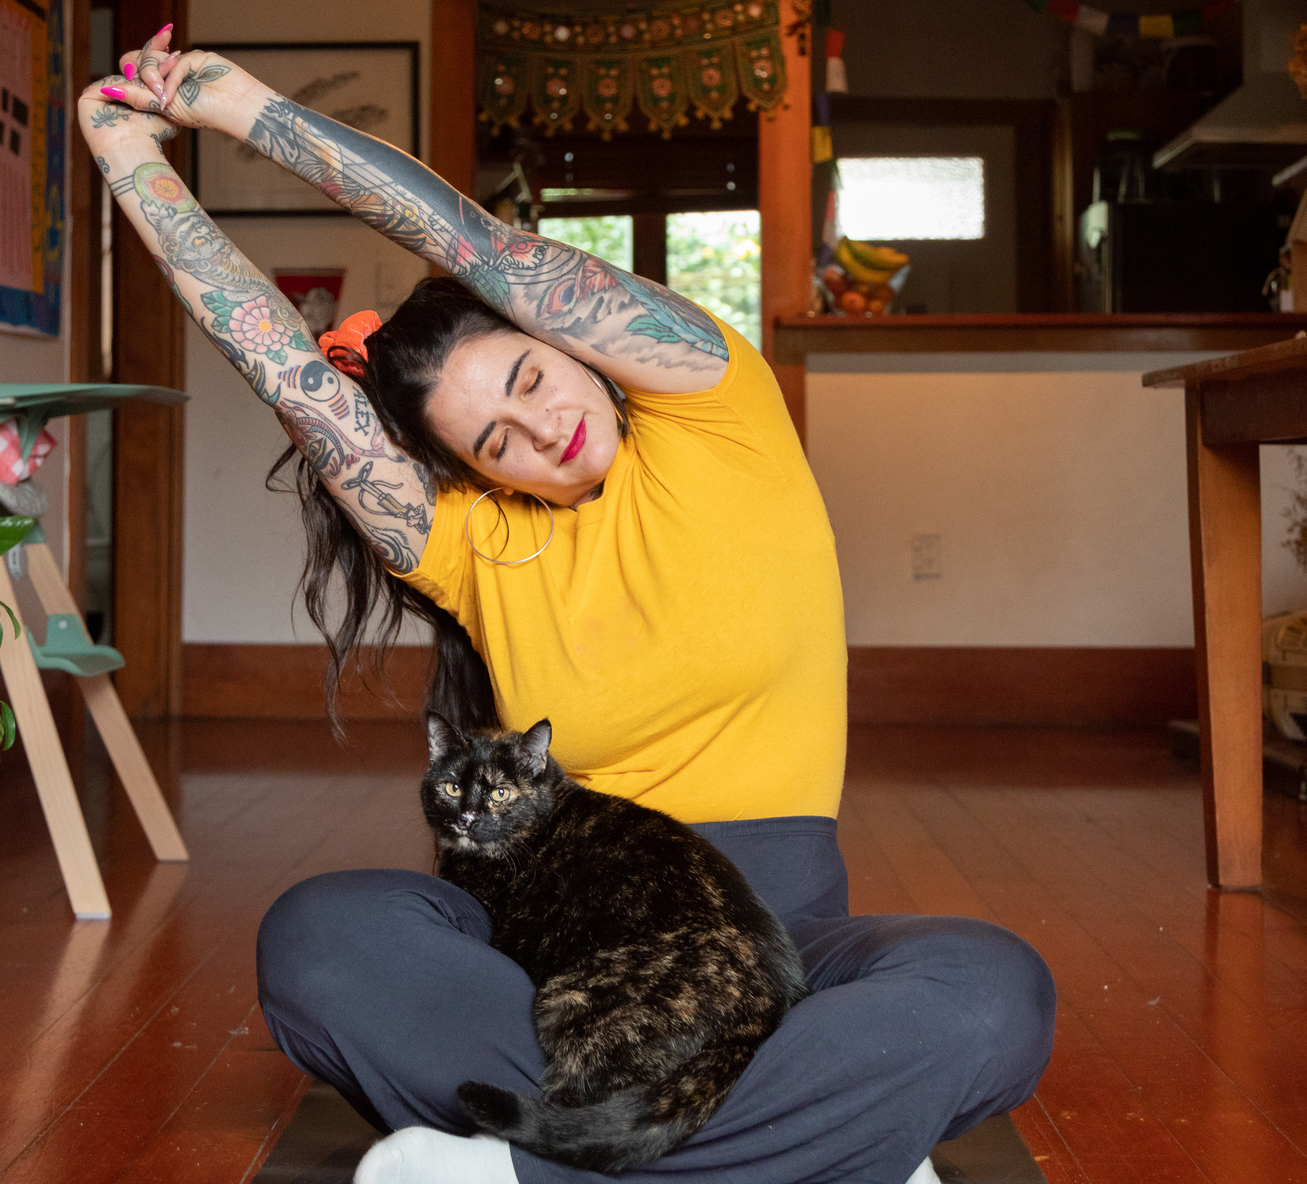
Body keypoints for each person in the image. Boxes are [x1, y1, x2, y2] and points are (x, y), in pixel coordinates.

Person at [80, 30, 1054, 1184]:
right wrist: (121, 154)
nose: (541, 429)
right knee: (319, 937)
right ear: (479, 472)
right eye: (496, 438)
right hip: (558, 956)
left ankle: (520, 1168)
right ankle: (812, 1144)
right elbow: (281, 367)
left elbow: (472, 243)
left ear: (569, 340)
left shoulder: (714, 410)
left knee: (991, 993)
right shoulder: (474, 547)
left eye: (531, 377)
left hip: (779, 942)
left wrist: (245, 110)